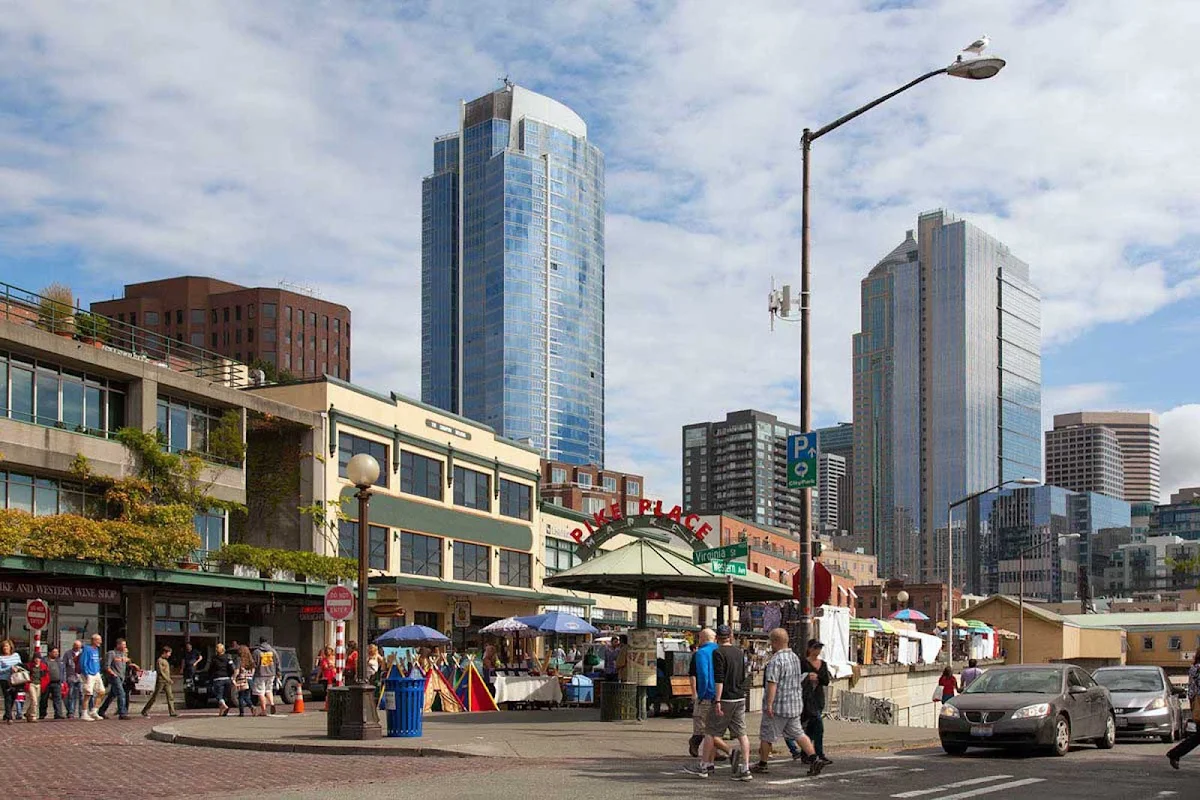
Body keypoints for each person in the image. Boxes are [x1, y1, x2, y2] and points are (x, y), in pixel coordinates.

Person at [749, 629, 823, 776]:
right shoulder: (794, 657)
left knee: (767, 735)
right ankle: (814, 758)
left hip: (778, 706)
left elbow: (772, 683)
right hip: (794, 704)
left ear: (775, 642)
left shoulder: (776, 661)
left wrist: (769, 704)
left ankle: (763, 764)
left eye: (771, 642)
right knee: (798, 733)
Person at [687, 625, 752, 780]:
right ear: (730, 636)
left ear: (718, 638)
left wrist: (716, 699)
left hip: (723, 697)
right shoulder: (739, 652)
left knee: (710, 731)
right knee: (742, 734)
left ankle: (705, 766)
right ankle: (746, 768)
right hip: (739, 697)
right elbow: (745, 675)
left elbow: (718, 678)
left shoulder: (714, 653)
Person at [685, 627, 731, 765]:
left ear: (702, 638)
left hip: (708, 694)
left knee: (703, 725)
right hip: (723, 695)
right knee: (715, 726)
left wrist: (700, 694)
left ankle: (708, 754)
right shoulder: (722, 650)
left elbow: (703, 675)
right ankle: (712, 755)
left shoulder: (700, 653)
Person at [798, 639, 832, 766]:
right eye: (815, 648)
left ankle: (806, 754)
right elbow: (797, 678)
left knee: (812, 728)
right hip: (806, 698)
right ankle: (817, 754)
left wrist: (817, 677)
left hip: (818, 698)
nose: (817, 651)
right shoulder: (803, 663)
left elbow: (826, 681)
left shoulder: (822, 664)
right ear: (810, 649)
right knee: (817, 726)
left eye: (819, 648)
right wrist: (807, 676)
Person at [1167, 649, 1200, 769]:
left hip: (1196, 704)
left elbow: (1191, 691)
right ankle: (1174, 753)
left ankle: (1175, 754)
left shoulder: (1194, 668)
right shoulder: (1198, 669)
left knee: (1198, 736)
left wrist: (1193, 704)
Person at [98, 638, 138, 720]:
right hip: (114, 677)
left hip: (121, 678)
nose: (125, 647)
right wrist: (113, 674)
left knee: (112, 696)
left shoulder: (123, 655)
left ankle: (101, 711)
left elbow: (128, 663)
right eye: (123, 645)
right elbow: (106, 666)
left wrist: (133, 665)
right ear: (118, 645)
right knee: (121, 693)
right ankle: (122, 713)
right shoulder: (111, 653)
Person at [141, 645, 177, 717]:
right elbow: (160, 672)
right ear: (164, 652)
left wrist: (168, 679)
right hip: (161, 681)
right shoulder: (159, 660)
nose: (169, 655)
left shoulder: (166, 661)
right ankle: (145, 710)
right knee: (155, 697)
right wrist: (168, 679)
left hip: (167, 682)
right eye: (169, 653)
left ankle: (172, 712)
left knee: (170, 696)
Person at [80, 633, 106, 721]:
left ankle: (94, 711)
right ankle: (84, 713)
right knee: (88, 694)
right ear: (94, 640)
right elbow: (83, 662)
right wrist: (86, 673)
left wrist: (98, 670)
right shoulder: (87, 649)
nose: (101, 642)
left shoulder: (96, 650)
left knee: (102, 691)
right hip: (89, 674)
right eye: (99, 640)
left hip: (96, 673)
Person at [209, 642, 236, 716]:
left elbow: (210, 669)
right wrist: (231, 675)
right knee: (225, 695)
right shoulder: (228, 657)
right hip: (227, 678)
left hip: (218, 678)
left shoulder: (214, 658)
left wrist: (211, 676)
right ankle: (221, 711)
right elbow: (232, 668)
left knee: (218, 695)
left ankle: (224, 706)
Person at [253, 636, 278, 715]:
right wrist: (278, 673)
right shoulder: (273, 651)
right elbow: (277, 662)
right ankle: (272, 703)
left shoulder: (257, 652)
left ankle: (263, 710)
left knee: (261, 692)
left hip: (260, 674)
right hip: (271, 673)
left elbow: (255, 664)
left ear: (260, 642)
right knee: (268, 690)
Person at [41, 646, 66, 720]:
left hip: (57, 682)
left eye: (57, 652)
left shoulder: (59, 661)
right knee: (44, 699)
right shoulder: (44, 660)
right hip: (46, 683)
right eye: (54, 652)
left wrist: (62, 681)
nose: (56, 654)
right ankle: (42, 714)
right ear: (50, 653)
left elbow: (62, 671)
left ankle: (58, 714)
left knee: (58, 699)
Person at [0, 639, 22, 723]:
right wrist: (9, 668)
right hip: (5, 680)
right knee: (8, 697)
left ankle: (6, 714)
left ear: (10, 647)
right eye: (4, 647)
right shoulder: (1, 658)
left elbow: (20, 665)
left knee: (13, 697)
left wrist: (17, 668)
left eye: (6, 646)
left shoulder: (16, 655)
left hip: (16, 679)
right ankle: (9, 717)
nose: (5, 648)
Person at [23, 649, 45, 723]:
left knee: (35, 701)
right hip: (31, 684)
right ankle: (33, 716)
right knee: (34, 700)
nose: (37, 660)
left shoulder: (43, 666)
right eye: (36, 658)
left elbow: (45, 675)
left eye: (38, 658)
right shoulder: (29, 666)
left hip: (38, 684)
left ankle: (28, 713)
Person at [64, 639, 84, 719]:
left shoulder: (83, 653)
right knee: (71, 695)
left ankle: (81, 712)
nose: (77, 648)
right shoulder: (68, 654)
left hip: (81, 678)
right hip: (71, 677)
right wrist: (65, 678)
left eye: (79, 647)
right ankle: (71, 712)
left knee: (81, 695)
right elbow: (64, 666)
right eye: (76, 647)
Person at [234, 646, 255, 716]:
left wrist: (233, 678)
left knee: (241, 696)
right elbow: (253, 670)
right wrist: (250, 675)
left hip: (242, 679)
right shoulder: (250, 659)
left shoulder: (239, 659)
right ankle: (251, 706)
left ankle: (242, 712)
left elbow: (237, 670)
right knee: (247, 696)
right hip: (250, 679)